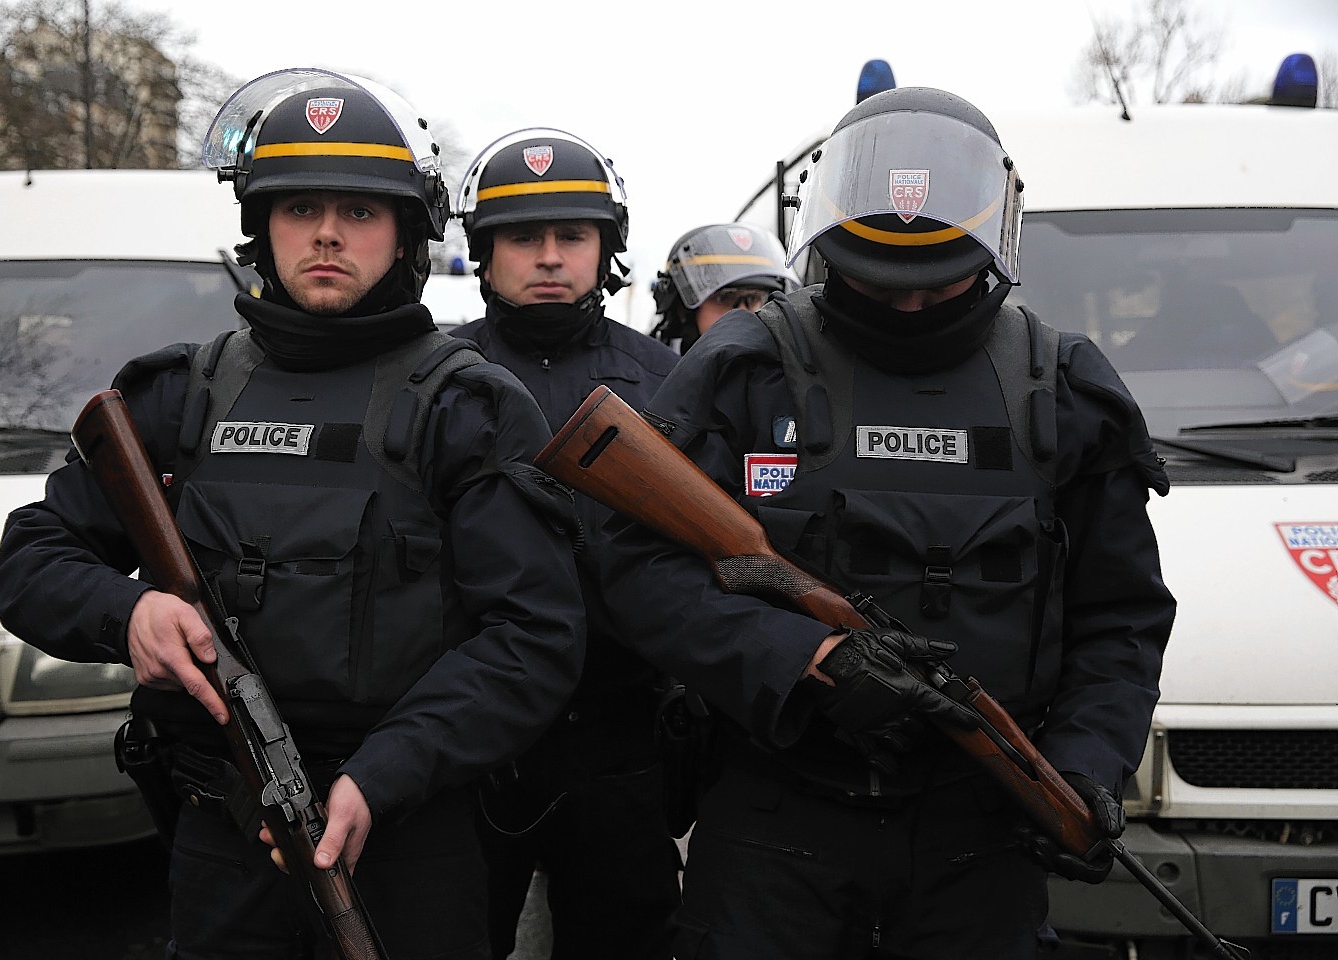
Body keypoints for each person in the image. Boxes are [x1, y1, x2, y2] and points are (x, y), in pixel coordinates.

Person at [0, 68, 585, 960]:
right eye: (301, 207)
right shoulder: (177, 394)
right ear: (262, 227)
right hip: (221, 838)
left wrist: (383, 777)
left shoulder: (468, 408)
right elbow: (31, 559)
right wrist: (130, 612)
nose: (329, 234)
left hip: (405, 834)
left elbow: (534, 636)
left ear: (406, 232)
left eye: (360, 212)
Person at [599, 86, 1176, 959]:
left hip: (982, 838)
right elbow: (637, 568)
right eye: (881, 283)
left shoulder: (1061, 390)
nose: (908, 308)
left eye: (935, 285)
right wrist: (809, 662)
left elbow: (1121, 620)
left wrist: (1086, 770)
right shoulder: (744, 370)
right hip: (774, 826)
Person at [451, 128, 682, 960]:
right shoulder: (431, 377)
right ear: (484, 251)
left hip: (618, 739)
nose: (549, 257)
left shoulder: (668, 382)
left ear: (605, 249)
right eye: (523, 236)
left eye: (571, 236)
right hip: (465, 744)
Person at [650, 222, 794, 354]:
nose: (743, 313)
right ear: (684, 311)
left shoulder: (789, 375)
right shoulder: (655, 376)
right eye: (725, 297)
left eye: (753, 298)